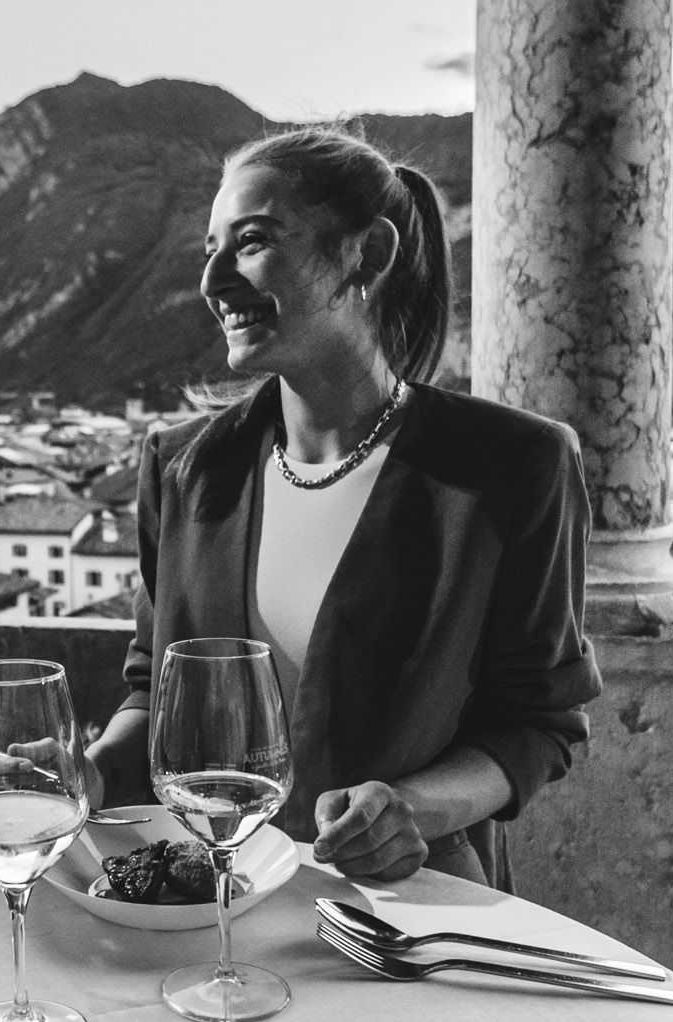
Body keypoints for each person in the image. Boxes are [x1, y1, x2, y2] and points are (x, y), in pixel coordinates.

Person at [84, 127, 601, 888]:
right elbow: (151, 694)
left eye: (252, 241)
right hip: (213, 907)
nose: (213, 281)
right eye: (209, 249)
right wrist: (89, 771)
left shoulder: (512, 467)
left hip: (407, 911)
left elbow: (539, 723)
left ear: (369, 253)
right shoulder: (184, 468)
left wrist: (412, 808)